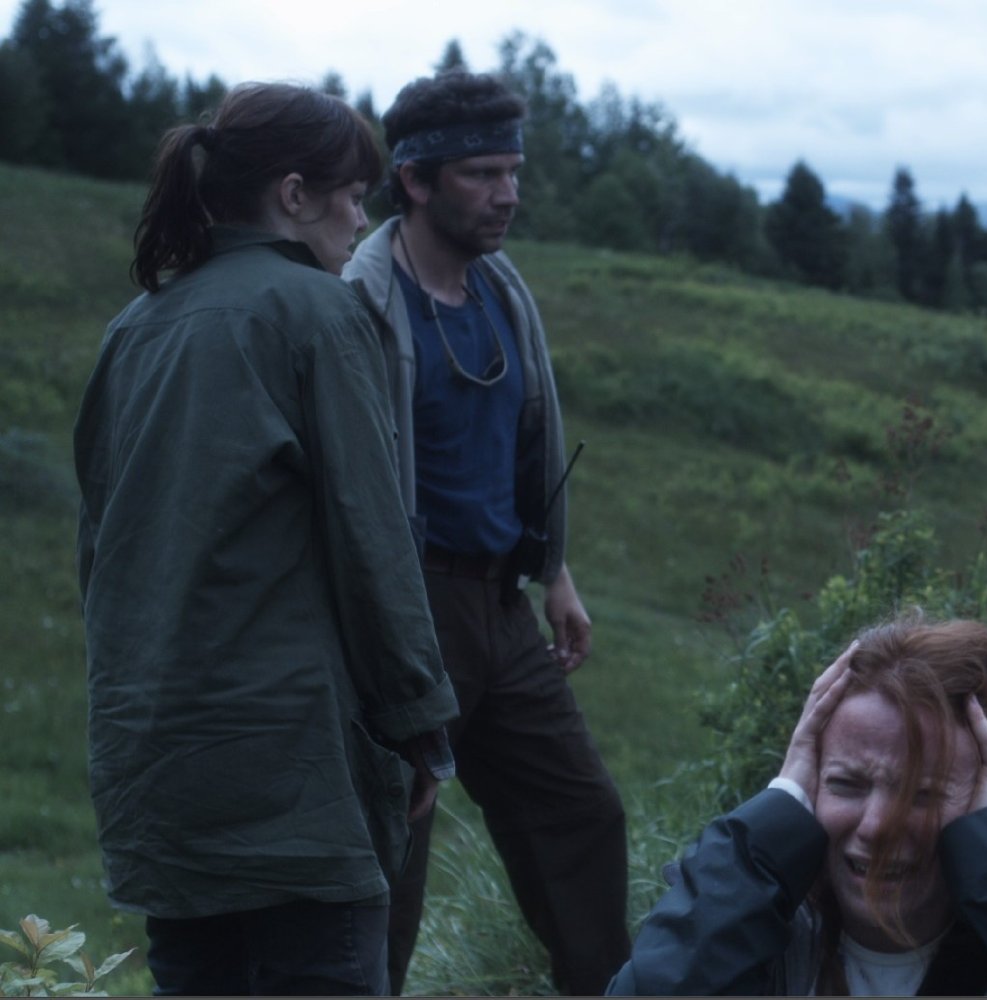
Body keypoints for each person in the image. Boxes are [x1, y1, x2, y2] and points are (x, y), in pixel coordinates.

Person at [73, 82, 458, 995]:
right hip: (290, 773)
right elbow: (372, 543)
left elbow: (99, 555)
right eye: (352, 196)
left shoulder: (135, 329)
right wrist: (419, 726)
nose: (360, 219)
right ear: (293, 195)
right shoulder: (318, 313)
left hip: (157, 764)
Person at [340, 69, 629, 995]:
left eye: (513, 171)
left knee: (581, 816)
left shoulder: (502, 287)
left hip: (503, 607)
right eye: (481, 174)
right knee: (393, 851)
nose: (508, 194)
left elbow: (523, 440)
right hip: (409, 607)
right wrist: (387, 642)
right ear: (415, 180)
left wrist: (554, 573)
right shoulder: (363, 300)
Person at [609, 615, 987, 996]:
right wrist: (772, 823)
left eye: (923, 794)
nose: (877, 825)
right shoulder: (747, 927)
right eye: (846, 784)